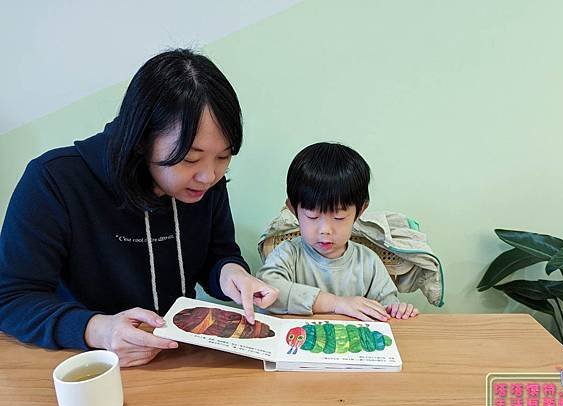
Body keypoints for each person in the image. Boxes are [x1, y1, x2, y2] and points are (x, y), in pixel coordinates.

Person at [0, 49, 278, 367]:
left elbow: (216, 254)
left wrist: (232, 273)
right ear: (142, 139)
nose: (209, 176)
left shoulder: (205, 185)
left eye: (223, 157)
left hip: (173, 358)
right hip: (83, 365)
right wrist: (97, 330)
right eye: (190, 158)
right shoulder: (54, 182)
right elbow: (12, 297)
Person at [256, 142, 419, 322]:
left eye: (339, 217)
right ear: (293, 210)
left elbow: (386, 308)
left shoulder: (368, 263)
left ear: (360, 211)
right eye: (312, 216)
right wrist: (336, 303)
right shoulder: (287, 254)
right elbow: (266, 292)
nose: (325, 230)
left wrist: (396, 309)